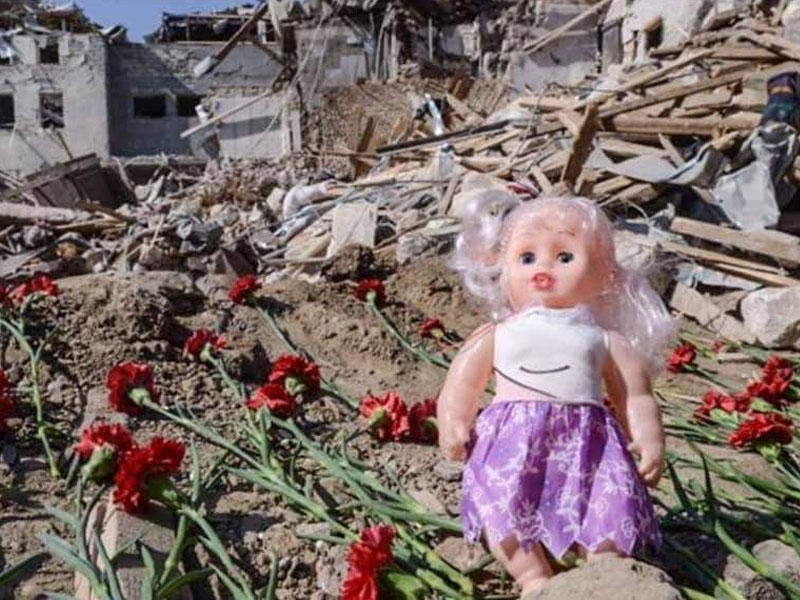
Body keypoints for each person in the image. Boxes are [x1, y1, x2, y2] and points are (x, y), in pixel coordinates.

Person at [437, 191, 674, 598]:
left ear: (604, 274)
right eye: (527, 257)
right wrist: (454, 422)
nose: (543, 269)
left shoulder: (603, 339)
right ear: (502, 269)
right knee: (503, 506)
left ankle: (605, 569)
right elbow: (461, 383)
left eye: (565, 257)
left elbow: (635, 395)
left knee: (607, 501)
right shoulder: (499, 334)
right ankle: (532, 577)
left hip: (590, 445)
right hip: (513, 443)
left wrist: (649, 440)